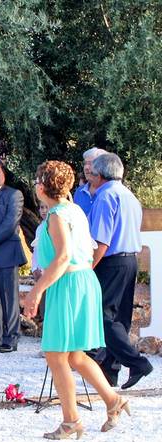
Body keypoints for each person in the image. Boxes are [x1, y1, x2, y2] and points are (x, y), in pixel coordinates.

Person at [24, 161, 131, 438]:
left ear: (42, 185)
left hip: (69, 283)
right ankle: (112, 399)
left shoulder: (58, 216)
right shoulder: (75, 210)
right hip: (83, 281)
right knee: (74, 355)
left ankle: (71, 421)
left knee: (56, 354)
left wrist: (36, 291)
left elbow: (61, 258)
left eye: (37, 179)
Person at [87, 152, 153, 389]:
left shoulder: (105, 197)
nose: (90, 177)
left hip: (111, 261)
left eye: (92, 173)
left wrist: (88, 267)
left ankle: (137, 363)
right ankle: (110, 372)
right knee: (120, 318)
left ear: (101, 174)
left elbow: (101, 240)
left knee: (103, 318)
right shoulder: (129, 195)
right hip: (130, 260)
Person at [0, 158, 26, 352]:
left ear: (4, 174)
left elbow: (11, 223)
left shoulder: (13, 195)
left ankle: (11, 337)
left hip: (6, 252)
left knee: (9, 297)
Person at [73, 147, 107, 216]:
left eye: (91, 163)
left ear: (102, 166)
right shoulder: (79, 192)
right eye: (85, 163)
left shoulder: (109, 192)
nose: (86, 167)